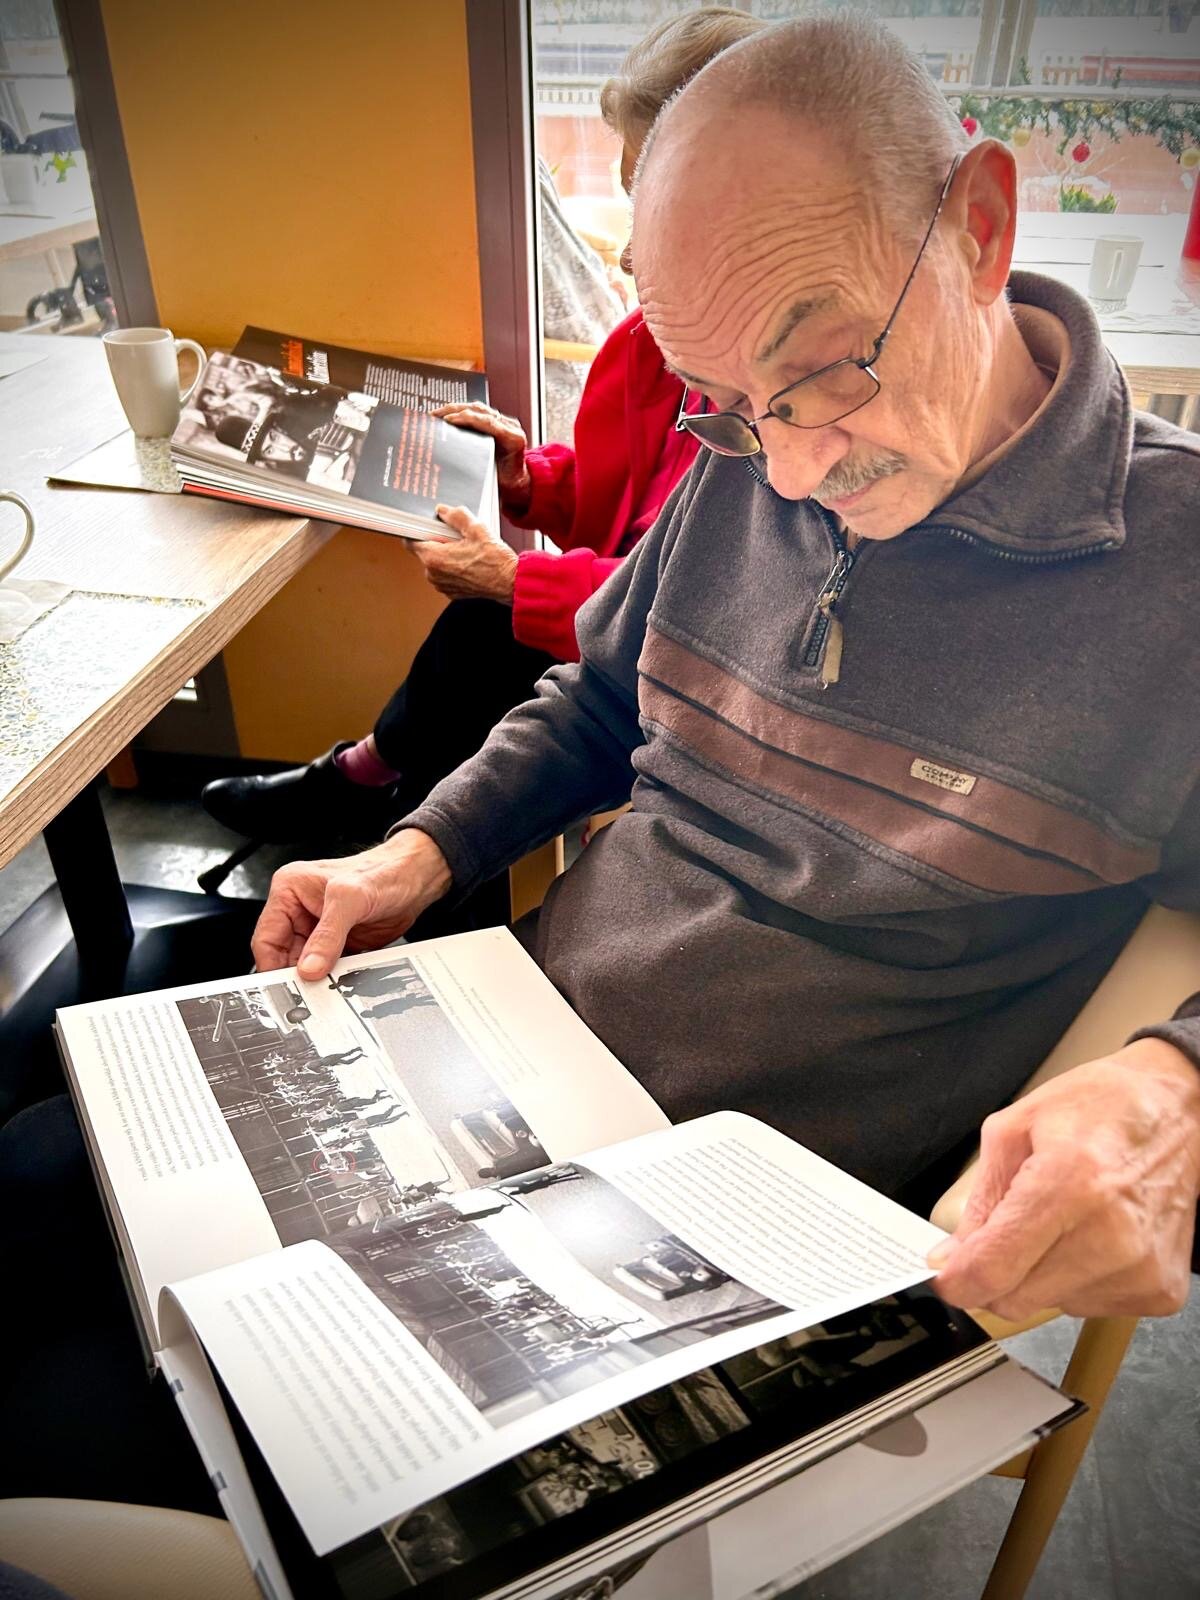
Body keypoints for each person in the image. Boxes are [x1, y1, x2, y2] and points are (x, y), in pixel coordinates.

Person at [252, 14, 1200, 1326]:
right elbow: (602, 699)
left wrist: (1174, 1086)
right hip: (505, 1056)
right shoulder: (745, 457)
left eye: (821, 374)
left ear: (980, 230)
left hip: (730, 1234)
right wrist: (415, 854)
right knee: (47, 1177)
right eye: (730, 402)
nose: (792, 472)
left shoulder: (1177, 572)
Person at [200, 8, 765, 935]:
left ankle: (379, 811)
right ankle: (386, 819)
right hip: (622, 643)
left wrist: (516, 579)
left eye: (660, 215)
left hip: (668, 674)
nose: (629, 254)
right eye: (633, 206)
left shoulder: (770, 405)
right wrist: (526, 482)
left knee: (487, 639)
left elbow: (679, 593)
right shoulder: (649, 345)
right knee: (485, 641)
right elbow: (627, 506)